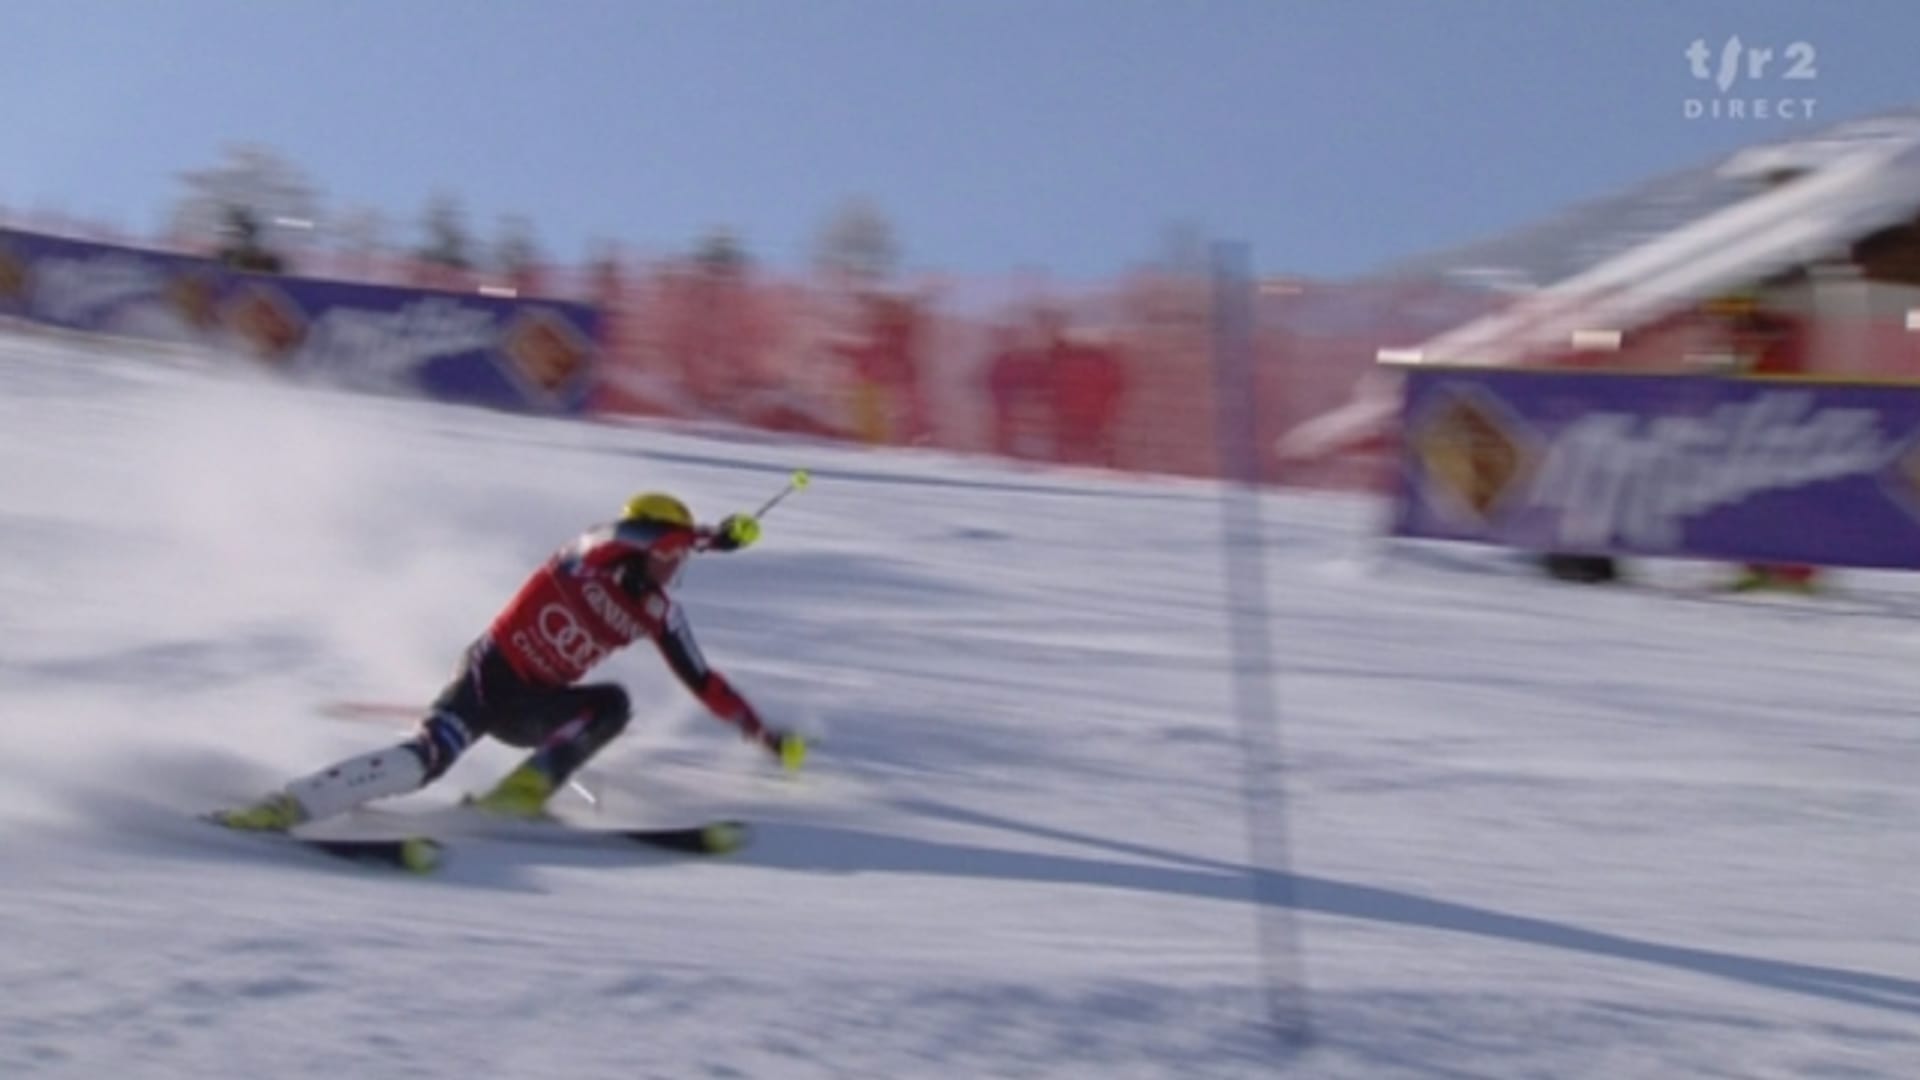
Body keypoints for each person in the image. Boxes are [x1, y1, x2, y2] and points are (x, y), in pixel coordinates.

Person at [213, 492, 805, 831]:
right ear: (650, 540)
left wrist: (760, 733)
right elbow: (634, 534)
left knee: (614, 704)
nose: (676, 566)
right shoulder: (586, 556)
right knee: (425, 762)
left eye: (680, 559)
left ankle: (520, 794)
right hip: (485, 677)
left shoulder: (658, 611)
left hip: (536, 710)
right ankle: (291, 803)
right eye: (668, 552)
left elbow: (704, 681)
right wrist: (708, 536)